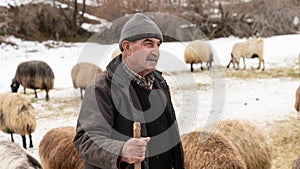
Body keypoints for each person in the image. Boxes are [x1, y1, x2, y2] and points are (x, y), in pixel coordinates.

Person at [74, 13, 185, 169]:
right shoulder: (102, 87)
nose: (156, 51)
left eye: (158, 45)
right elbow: (85, 140)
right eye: (148, 44)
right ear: (127, 47)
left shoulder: (160, 83)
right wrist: (121, 151)